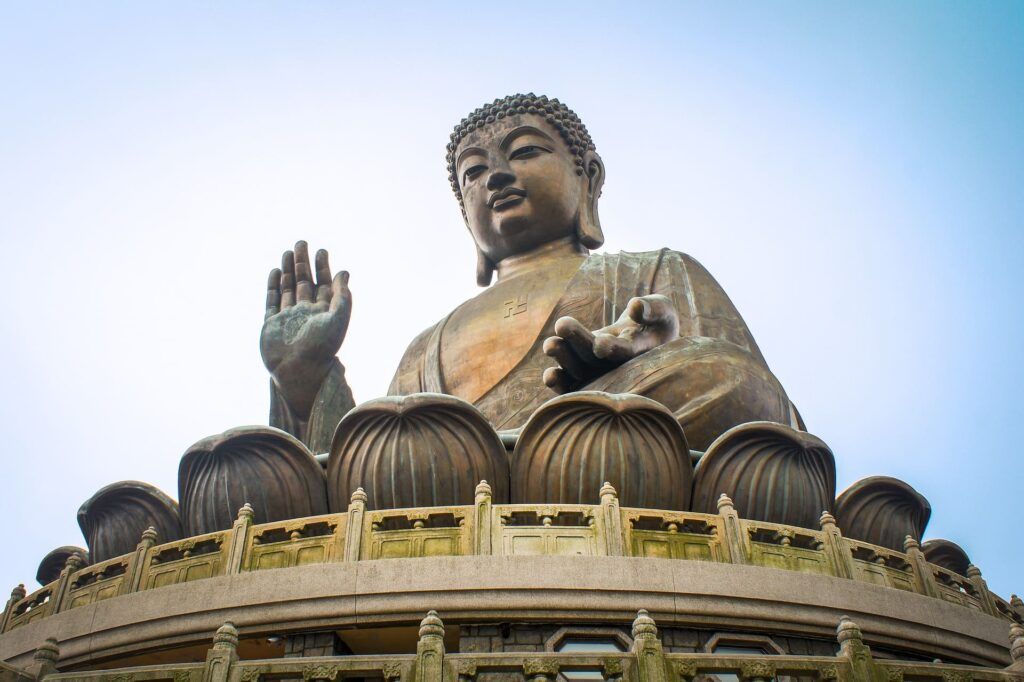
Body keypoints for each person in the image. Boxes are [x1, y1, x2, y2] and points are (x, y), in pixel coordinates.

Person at [259, 94, 799, 454]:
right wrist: (304, 380)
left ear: (587, 178)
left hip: (604, 455)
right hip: (453, 485)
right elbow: (359, 465)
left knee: (726, 377)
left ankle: (568, 437)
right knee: (384, 448)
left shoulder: (652, 270)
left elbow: (765, 406)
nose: (496, 176)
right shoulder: (427, 347)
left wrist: (652, 356)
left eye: (524, 152)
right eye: (473, 171)